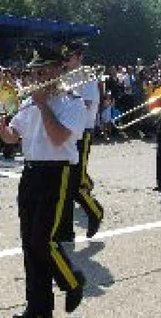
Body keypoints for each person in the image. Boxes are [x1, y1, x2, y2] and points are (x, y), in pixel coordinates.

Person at [0, 46, 88, 317]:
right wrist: (2, 130)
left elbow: (60, 139)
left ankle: (72, 280)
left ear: (59, 69)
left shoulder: (72, 102)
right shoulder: (28, 102)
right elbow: (14, 137)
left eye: (44, 69)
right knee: (28, 243)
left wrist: (43, 105)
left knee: (42, 241)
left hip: (57, 174)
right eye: (35, 70)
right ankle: (38, 308)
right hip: (31, 172)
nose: (38, 75)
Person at [56, 42, 104, 242]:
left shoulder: (87, 76)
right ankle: (66, 231)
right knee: (63, 184)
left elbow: (86, 103)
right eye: (64, 57)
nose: (66, 60)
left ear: (79, 57)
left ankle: (95, 211)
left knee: (74, 183)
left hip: (82, 131)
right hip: (66, 132)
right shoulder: (64, 76)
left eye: (69, 57)